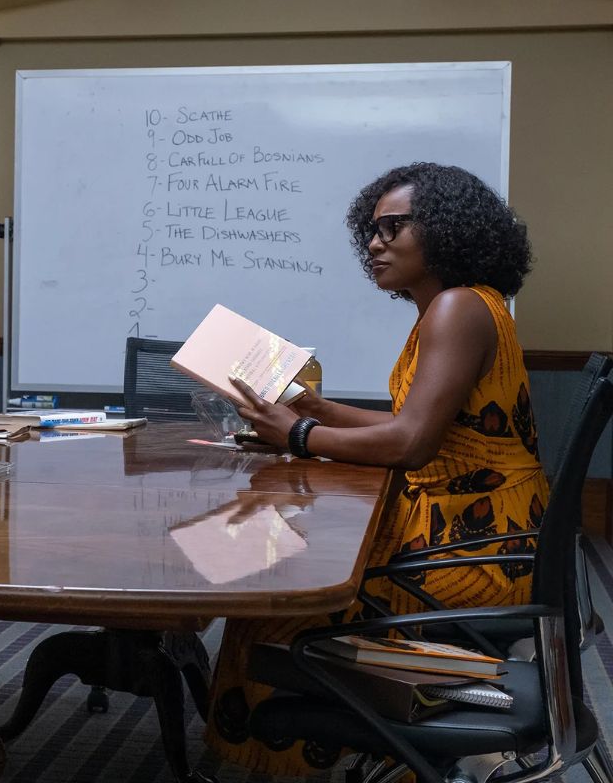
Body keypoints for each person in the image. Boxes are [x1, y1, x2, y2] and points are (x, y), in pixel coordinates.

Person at [206, 162, 548, 775]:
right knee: (290, 564)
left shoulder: (456, 308)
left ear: (446, 230)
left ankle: (273, 764)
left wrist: (302, 434)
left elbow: (411, 444)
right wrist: (310, 408)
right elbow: (414, 423)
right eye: (371, 230)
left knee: (278, 595)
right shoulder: (463, 306)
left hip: (468, 552)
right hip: (490, 532)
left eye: (394, 226)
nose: (375, 242)